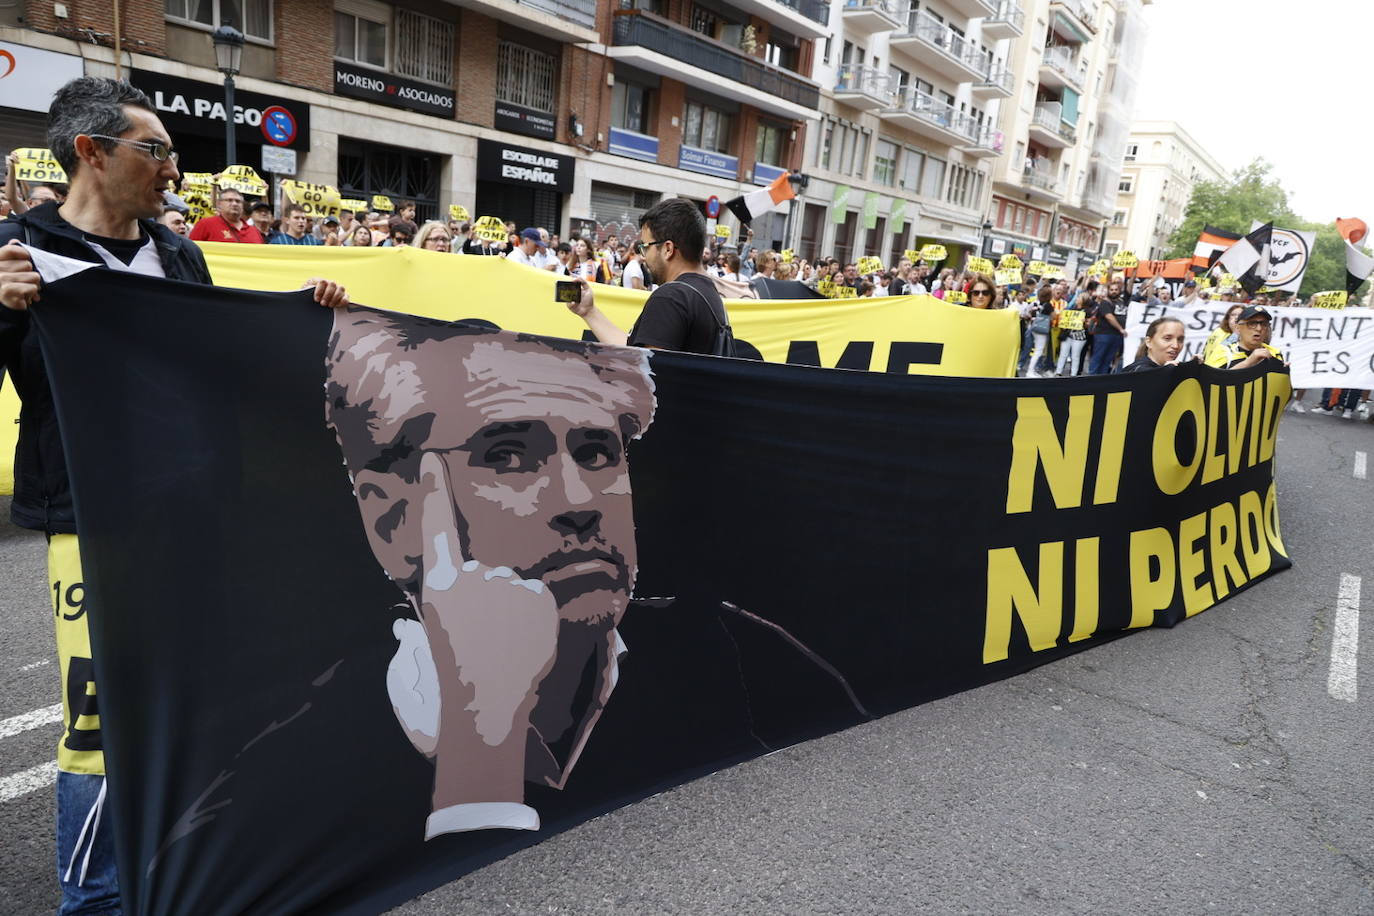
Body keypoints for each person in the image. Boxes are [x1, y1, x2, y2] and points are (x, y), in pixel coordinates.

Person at [0, 75, 348, 916]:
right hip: (89, 521)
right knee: (94, 725)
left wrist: (303, 315)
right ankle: (96, 900)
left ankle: (185, 870)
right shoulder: (15, 252)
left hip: (195, 516)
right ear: (92, 152)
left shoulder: (177, 253)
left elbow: (221, 357)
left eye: (171, 154)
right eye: (153, 150)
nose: (172, 171)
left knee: (197, 700)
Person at [324, 311, 655, 836]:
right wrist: (482, 740)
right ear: (393, 520)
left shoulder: (737, 653)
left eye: (596, 452)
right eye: (507, 457)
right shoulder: (287, 764)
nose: (578, 501)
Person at [566, 197, 731, 355]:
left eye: (646, 247)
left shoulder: (671, 297)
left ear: (668, 249)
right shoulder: (708, 292)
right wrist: (589, 311)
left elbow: (648, 371)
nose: (643, 256)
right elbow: (634, 352)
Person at [1204, 306, 1282, 369]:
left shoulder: (1275, 353)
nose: (1259, 328)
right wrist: (1248, 362)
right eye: (1252, 323)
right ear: (1238, 327)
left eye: (1264, 324)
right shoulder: (1224, 351)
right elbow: (1211, 382)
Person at [187, 186, 263, 243]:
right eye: (229, 200)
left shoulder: (254, 231)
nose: (234, 204)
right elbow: (191, 252)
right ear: (219, 204)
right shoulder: (205, 224)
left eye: (238, 201)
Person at [1087, 282, 1127, 374]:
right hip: (1104, 334)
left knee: (1108, 359)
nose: (1114, 291)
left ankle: (1101, 381)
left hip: (1117, 335)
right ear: (1108, 291)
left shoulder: (1121, 302)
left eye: (1116, 290)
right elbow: (1109, 317)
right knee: (1098, 357)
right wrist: (1121, 328)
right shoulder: (1105, 302)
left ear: (1119, 291)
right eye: (1111, 289)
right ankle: (1091, 380)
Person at [1121, 317, 1185, 372]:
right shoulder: (1137, 372)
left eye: (1180, 340)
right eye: (1167, 338)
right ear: (1149, 342)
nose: (1176, 346)